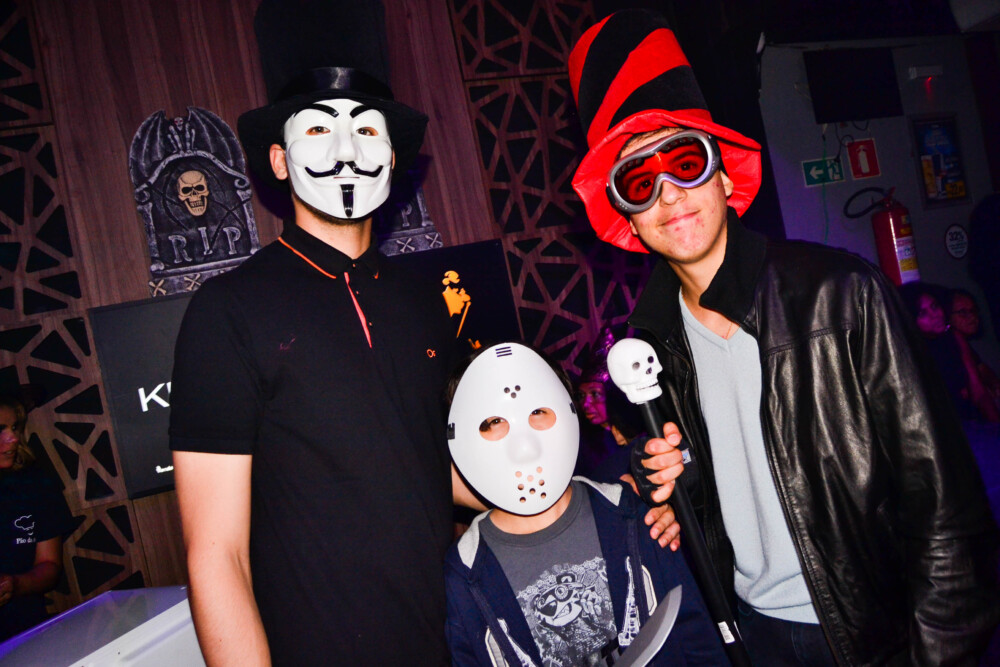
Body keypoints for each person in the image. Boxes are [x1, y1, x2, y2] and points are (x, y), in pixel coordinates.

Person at [567, 10, 1000, 666]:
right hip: (752, 635)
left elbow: (949, 514)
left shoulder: (840, 295)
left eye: (684, 160)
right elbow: (726, 490)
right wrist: (676, 497)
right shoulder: (653, 346)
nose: (669, 193)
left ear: (722, 174)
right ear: (626, 214)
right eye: (638, 179)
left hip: (873, 631)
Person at [443, 343, 726, 666]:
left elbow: (695, 635)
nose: (522, 439)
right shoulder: (464, 573)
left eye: (537, 411)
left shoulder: (631, 514)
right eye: (493, 420)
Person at [0, 387, 73, 642]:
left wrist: (15, 585)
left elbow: (49, 566)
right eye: (0, 430)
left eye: (15, 427)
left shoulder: (35, 483)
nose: (13, 438)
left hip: (26, 633)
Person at [900, 282, 1000, 423]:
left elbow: (979, 391)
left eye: (935, 306)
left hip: (971, 418)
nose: (935, 316)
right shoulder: (910, 353)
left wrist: (995, 424)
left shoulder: (955, 338)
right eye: (923, 313)